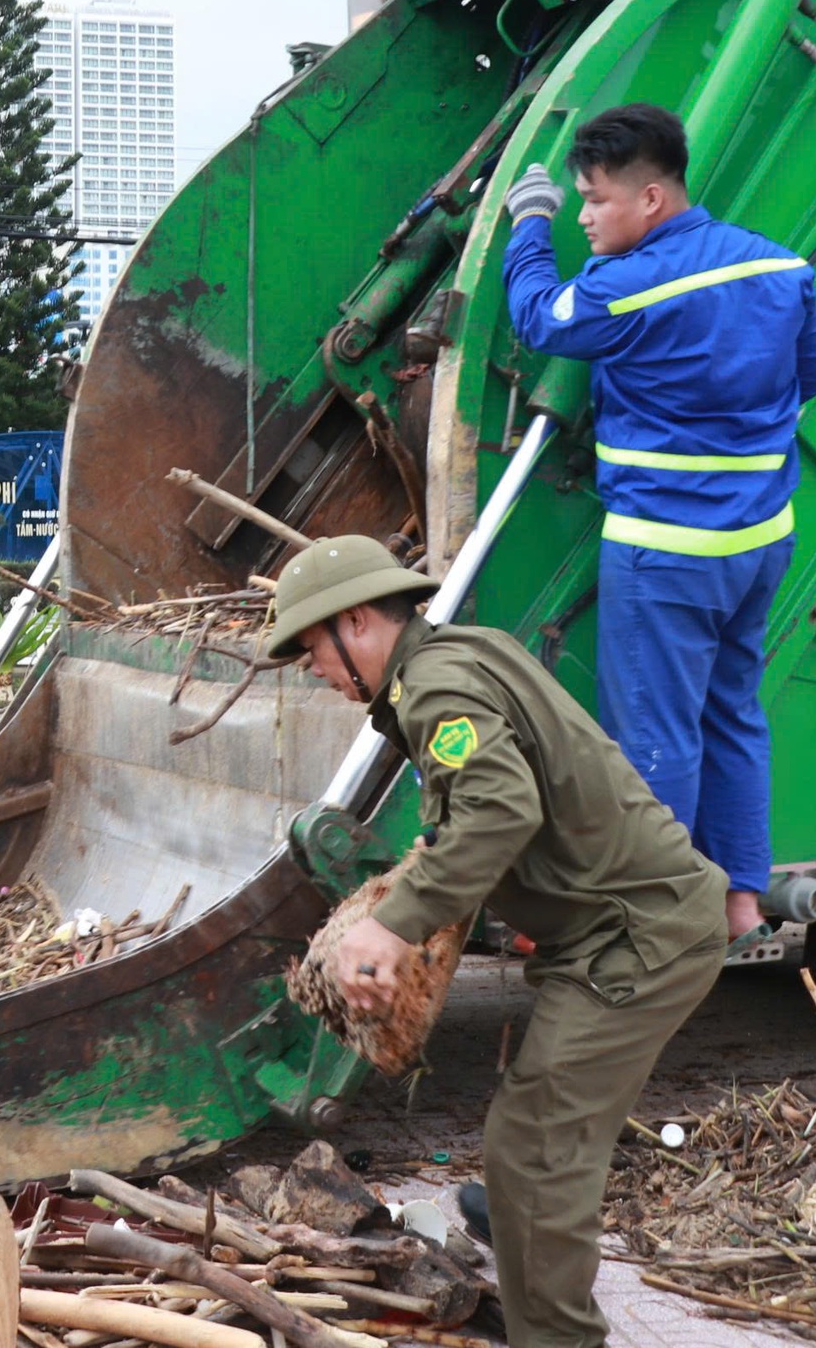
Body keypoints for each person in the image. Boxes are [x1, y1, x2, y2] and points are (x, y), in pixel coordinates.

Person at [265, 534, 725, 1348]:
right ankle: (524, 1244)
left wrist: (391, 923)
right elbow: (483, 813)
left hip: (637, 938)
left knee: (536, 1147)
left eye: (311, 651)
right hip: (620, 928)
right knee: (531, 1147)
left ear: (358, 621)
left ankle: (559, 1332)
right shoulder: (459, 655)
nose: (316, 672)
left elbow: (501, 808)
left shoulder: (435, 687)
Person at [501, 104, 816, 951]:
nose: (583, 214)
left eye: (593, 199)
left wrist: (530, 225)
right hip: (760, 543)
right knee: (732, 718)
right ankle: (739, 907)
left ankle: (657, 927)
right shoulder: (781, 265)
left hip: (668, 552)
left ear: (651, 198)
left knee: (655, 740)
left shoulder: (635, 285)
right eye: (573, 201)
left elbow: (541, 318)